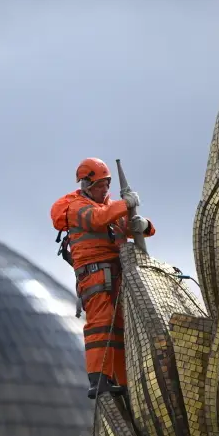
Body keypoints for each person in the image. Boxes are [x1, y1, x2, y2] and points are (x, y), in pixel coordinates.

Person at [50, 157, 156, 399]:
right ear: (86, 184)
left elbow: (129, 226)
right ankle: (98, 378)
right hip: (94, 276)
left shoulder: (110, 208)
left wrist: (144, 224)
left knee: (120, 327)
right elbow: (98, 218)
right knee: (101, 323)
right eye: (100, 185)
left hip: (118, 275)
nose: (104, 189)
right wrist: (124, 204)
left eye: (107, 184)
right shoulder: (77, 208)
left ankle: (122, 380)